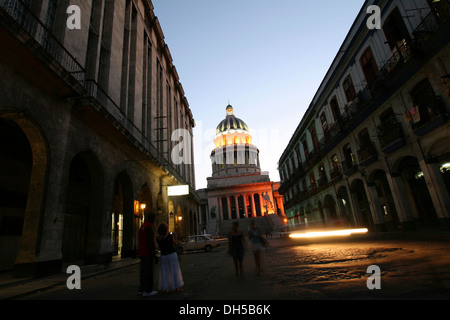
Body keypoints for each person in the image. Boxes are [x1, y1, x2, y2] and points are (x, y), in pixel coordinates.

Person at [156, 223, 184, 293]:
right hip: (171, 255)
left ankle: (166, 288)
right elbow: (175, 243)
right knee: (174, 271)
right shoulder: (169, 236)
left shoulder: (158, 238)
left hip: (163, 256)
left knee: (165, 272)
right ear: (166, 229)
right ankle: (176, 287)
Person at [138, 213, 158, 296]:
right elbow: (150, 242)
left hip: (142, 252)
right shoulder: (149, 227)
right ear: (152, 219)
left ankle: (141, 289)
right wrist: (154, 254)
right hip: (147, 253)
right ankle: (148, 290)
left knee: (143, 272)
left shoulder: (142, 226)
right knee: (149, 272)